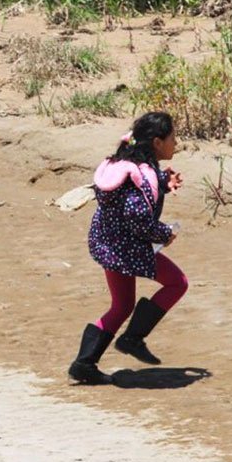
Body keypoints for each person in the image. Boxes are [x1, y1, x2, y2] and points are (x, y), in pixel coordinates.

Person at [68, 112, 189, 385]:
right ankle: (132, 339)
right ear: (157, 142)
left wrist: (164, 184)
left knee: (122, 305)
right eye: (172, 138)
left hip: (107, 243)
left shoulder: (128, 161)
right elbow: (136, 216)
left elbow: (132, 195)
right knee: (177, 283)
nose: (176, 143)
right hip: (126, 249)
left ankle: (83, 364)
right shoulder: (143, 174)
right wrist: (164, 232)